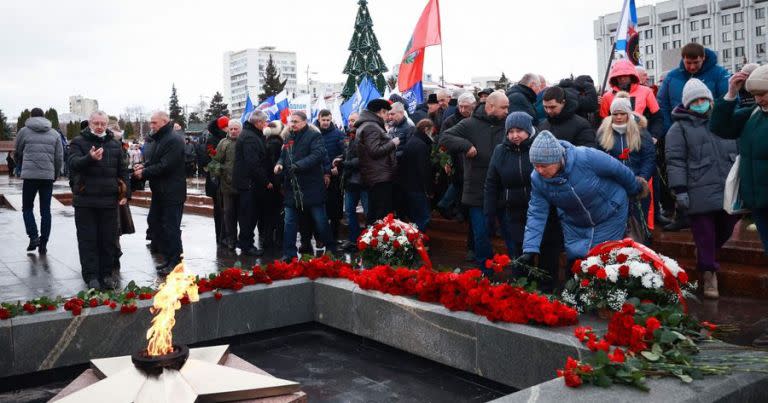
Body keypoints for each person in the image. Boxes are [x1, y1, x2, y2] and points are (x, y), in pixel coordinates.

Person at [517, 131, 648, 265]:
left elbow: (619, 170)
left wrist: (635, 189)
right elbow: (536, 213)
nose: (539, 170)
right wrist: (530, 248)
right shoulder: (537, 179)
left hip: (610, 214)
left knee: (603, 260)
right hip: (574, 224)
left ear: (557, 159)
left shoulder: (586, 157)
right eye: (535, 165)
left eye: (543, 166)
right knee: (578, 264)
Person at [665, 78, 738, 299]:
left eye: (703, 99)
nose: (700, 103)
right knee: (705, 234)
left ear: (710, 99)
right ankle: (708, 275)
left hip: (726, 186)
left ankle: (706, 256)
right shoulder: (678, 129)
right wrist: (680, 190)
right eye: (694, 101)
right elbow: (675, 161)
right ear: (687, 104)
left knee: (726, 227)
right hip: (698, 188)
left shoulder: (723, 120)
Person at [439, 91, 509, 269]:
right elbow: (445, 137)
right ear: (490, 106)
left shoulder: (509, 124)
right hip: (477, 189)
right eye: (504, 107)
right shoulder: (470, 124)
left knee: (510, 233)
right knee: (480, 233)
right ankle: (485, 271)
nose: (507, 111)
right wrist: (466, 146)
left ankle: (517, 272)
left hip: (504, 189)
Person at [710, 65, 768, 253]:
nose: (758, 99)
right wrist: (731, 94)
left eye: (763, 93)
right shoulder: (754, 113)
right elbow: (720, 127)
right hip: (757, 202)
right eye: (755, 94)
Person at [67, 111, 127, 289]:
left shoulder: (115, 144)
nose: (100, 126)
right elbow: (73, 163)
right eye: (96, 123)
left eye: (103, 123)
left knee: (108, 240)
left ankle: (107, 274)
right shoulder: (78, 142)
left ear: (107, 124)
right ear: (90, 124)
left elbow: (123, 171)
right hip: (85, 199)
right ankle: (91, 276)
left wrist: (125, 194)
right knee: (88, 240)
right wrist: (89, 158)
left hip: (108, 200)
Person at [274, 111, 337, 260]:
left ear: (304, 122)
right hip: (292, 188)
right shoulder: (288, 136)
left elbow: (318, 155)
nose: (292, 124)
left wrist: (298, 166)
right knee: (289, 222)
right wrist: (279, 164)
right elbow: (283, 156)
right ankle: (289, 254)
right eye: (291, 121)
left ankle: (331, 248)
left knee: (320, 221)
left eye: (295, 121)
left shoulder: (314, 135)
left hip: (311, 186)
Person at [597, 93, 656, 242]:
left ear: (629, 114)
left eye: (622, 113)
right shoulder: (603, 133)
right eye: (615, 114)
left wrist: (641, 179)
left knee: (638, 223)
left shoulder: (641, 132)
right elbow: (599, 159)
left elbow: (649, 158)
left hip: (637, 185)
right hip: (613, 187)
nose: (618, 117)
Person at [133, 111, 186, 274]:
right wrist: (144, 166)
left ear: (164, 122)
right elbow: (155, 160)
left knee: (171, 227)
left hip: (172, 192)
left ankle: (175, 261)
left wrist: (144, 173)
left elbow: (165, 165)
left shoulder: (174, 139)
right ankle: (168, 258)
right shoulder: (161, 138)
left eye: (154, 122)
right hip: (161, 191)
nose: (151, 125)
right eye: (151, 122)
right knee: (156, 223)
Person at [14, 107, 63, 253]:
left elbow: (17, 151)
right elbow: (59, 157)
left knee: (27, 208)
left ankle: (33, 236)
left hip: (29, 176)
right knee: (45, 210)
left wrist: (20, 165)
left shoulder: (24, 131)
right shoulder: (54, 133)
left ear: (30, 116)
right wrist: (55, 174)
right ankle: (43, 244)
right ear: (44, 117)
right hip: (47, 177)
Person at [657, 42, 730, 133]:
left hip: (711, 130)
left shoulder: (719, 74)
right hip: (680, 131)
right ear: (683, 59)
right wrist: (669, 129)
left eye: (696, 62)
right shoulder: (672, 76)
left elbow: (727, 100)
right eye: (688, 63)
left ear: (703, 58)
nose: (692, 67)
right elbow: (663, 104)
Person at [233, 111, 269, 256]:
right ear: (258, 123)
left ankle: (245, 242)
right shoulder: (250, 137)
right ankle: (247, 245)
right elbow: (253, 163)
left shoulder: (251, 134)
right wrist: (265, 181)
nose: (265, 124)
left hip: (248, 182)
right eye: (264, 122)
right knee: (249, 215)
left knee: (248, 214)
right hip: (249, 183)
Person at [599, 60, 664, 140]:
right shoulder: (607, 96)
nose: (622, 79)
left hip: (641, 138)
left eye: (625, 75)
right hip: (616, 140)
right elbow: (604, 122)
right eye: (619, 76)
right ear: (615, 77)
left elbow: (657, 117)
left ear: (631, 75)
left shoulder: (646, 92)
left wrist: (654, 136)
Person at [357, 99, 398, 222]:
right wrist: (392, 143)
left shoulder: (368, 124)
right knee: (380, 215)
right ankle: (377, 241)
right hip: (379, 176)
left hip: (376, 175)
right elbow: (374, 151)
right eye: (387, 113)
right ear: (381, 112)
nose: (388, 117)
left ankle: (373, 239)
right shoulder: (371, 126)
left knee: (376, 213)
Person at [337, 118, 368, 252]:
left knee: (368, 212)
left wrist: (344, 163)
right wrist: (340, 159)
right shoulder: (348, 138)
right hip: (350, 182)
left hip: (364, 182)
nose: (351, 123)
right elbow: (347, 155)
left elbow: (361, 159)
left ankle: (368, 240)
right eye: (349, 120)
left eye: (354, 120)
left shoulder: (363, 138)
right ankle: (353, 239)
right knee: (350, 212)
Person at [398, 119, 435, 230]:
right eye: (432, 131)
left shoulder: (412, 141)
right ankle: (419, 243)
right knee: (423, 217)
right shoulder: (421, 145)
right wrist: (429, 190)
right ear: (426, 129)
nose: (433, 134)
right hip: (418, 187)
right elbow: (424, 170)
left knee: (415, 218)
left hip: (408, 186)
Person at [316, 109, 346, 240]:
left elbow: (345, 153)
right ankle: (320, 239)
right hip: (317, 176)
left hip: (334, 177)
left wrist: (337, 163)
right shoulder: (313, 133)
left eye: (328, 120)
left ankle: (334, 238)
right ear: (319, 119)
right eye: (323, 120)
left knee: (335, 209)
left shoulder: (338, 134)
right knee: (319, 209)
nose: (326, 123)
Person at [213, 120, 241, 251]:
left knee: (244, 215)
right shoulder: (223, 143)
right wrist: (217, 174)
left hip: (243, 186)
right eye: (231, 129)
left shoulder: (244, 142)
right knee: (229, 215)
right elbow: (216, 161)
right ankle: (231, 239)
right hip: (227, 186)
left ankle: (244, 240)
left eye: (236, 129)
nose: (234, 131)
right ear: (228, 130)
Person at [202, 116, 229, 245]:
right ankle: (220, 236)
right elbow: (209, 160)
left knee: (225, 210)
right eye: (227, 126)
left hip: (225, 180)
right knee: (219, 210)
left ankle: (225, 235)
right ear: (222, 127)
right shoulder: (213, 140)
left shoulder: (226, 138)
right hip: (216, 180)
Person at [262, 120, 286, 254]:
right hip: (275, 185)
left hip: (269, 184)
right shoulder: (277, 143)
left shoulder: (267, 141)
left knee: (269, 214)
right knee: (278, 214)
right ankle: (277, 241)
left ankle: (268, 240)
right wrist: (280, 184)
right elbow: (276, 166)